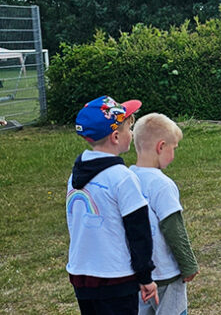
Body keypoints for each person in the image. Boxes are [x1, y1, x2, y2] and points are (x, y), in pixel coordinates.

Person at [66, 95, 158, 314]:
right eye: (129, 128)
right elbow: (139, 232)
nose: (132, 133)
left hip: (82, 276)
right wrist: (146, 277)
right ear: (116, 137)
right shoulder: (122, 178)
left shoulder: (75, 175)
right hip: (116, 279)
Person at [130, 113, 199, 314]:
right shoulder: (162, 184)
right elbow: (173, 227)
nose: (174, 154)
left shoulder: (127, 178)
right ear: (161, 146)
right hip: (166, 274)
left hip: (139, 274)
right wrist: (188, 265)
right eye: (173, 148)